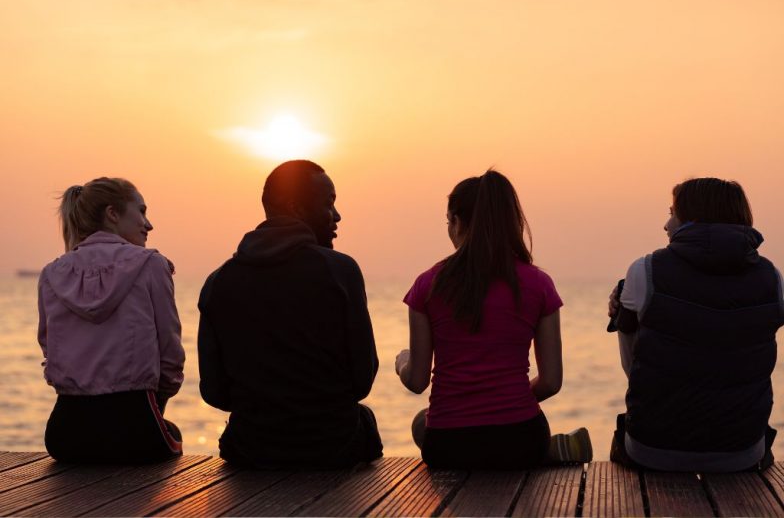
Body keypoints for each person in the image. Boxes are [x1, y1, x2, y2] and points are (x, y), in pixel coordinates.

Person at [395, 170, 592, 469]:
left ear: (457, 221)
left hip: (448, 445)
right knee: (515, 442)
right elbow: (551, 382)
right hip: (520, 440)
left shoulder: (428, 284)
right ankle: (547, 452)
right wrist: (503, 399)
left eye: (449, 222)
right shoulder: (539, 284)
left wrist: (402, 362)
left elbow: (417, 380)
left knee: (421, 424)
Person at [198, 160, 383, 468]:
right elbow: (362, 380)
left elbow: (214, 392)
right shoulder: (340, 271)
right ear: (296, 208)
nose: (337, 216)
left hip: (250, 451)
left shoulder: (218, 282)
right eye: (329, 204)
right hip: (334, 448)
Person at [607, 177, 782, 472]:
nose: (666, 224)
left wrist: (625, 297)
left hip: (653, 448)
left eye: (672, 212)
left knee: (629, 310)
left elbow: (632, 367)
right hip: (742, 451)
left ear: (693, 218)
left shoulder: (646, 270)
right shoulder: (773, 278)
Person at [38, 177, 185, 463]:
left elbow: (49, 350)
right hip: (135, 430)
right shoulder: (151, 264)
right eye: (141, 211)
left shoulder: (51, 274)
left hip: (65, 436)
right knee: (172, 433)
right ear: (112, 214)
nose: (148, 223)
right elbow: (170, 353)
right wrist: (158, 402)